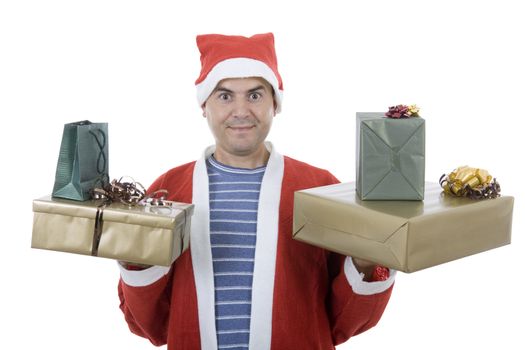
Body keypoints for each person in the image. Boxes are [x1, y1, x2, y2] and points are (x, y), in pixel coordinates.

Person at [118, 33, 396, 350]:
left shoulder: (321, 187)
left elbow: (344, 322)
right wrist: (134, 262)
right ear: (203, 105)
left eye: (254, 96)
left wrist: (365, 263)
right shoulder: (168, 191)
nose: (240, 111)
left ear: (274, 104)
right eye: (224, 96)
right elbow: (149, 325)